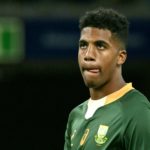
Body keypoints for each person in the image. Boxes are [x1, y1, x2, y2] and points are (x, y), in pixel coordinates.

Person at [64, 7, 150, 150]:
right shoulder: (76, 115)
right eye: (83, 45)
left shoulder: (137, 113)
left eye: (100, 46)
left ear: (120, 57)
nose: (88, 55)